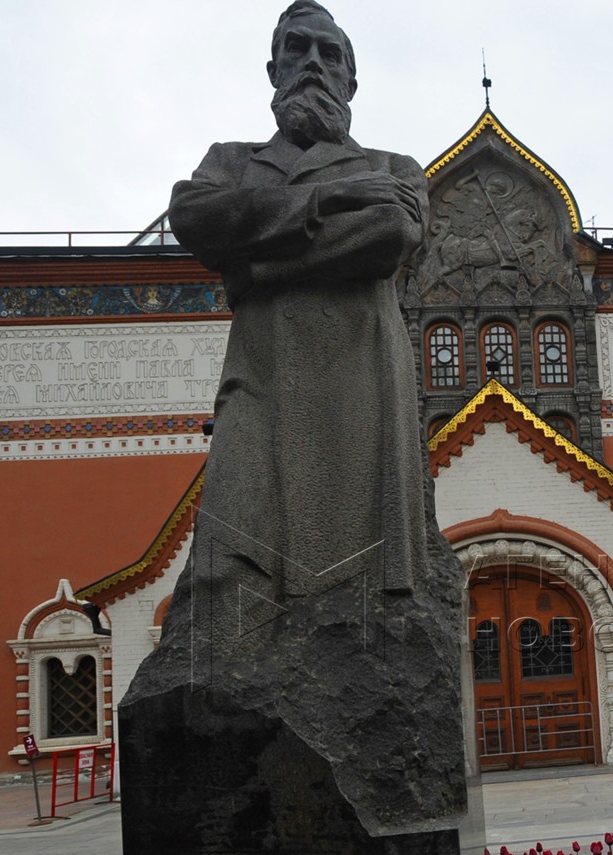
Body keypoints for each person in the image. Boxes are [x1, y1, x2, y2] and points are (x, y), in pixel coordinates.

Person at [167, 0, 435, 613]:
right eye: (298, 48)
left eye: (330, 53)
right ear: (273, 68)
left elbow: (390, 232)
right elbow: (195, 217)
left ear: (351, 80)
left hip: (358, 386)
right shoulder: (232, 161)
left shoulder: (393, 168)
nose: (313, 62)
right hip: (260, 375)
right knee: (225, 554)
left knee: (354, 584)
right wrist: (335, 193)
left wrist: (253, 266)